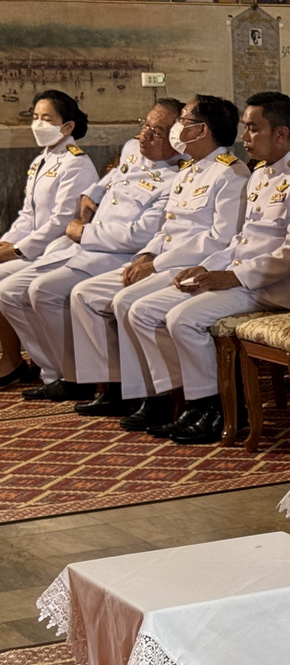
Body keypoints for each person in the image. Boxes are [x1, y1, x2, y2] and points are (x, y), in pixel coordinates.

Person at [125, 91, 290, 444]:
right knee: (143, 310)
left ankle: (213, 407)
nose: (245, 137)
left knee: (182, 318)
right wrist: (204, 269)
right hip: (239, 275)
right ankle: (182, 401)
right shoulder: (261, 174)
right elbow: (239, 241)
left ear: (280, 133)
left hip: (273, 288)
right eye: (245, 128)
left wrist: (233, 276)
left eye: (253, 129)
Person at [69, 95, 249, 425]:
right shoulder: (188, 171)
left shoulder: (230, 174)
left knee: (131, 304)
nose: (177, 128)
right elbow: (167, 227)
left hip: (195, 265)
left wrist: (159, 263)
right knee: (97, 295)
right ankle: (142, 392)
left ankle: (164, 395)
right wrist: (147, 255)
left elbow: (218, 240)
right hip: (165, 260)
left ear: (201, 130)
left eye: (183, 121)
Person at [3, 99, 183, 403]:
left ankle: (85, 379)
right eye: (145, 126)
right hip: (82, 246)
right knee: (11, 291)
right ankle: (57, 371)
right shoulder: (132, 148)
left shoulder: (176, 178)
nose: (145, 136)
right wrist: (92, 192)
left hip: (115, 254)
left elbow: (137, 236)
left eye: (157, 132)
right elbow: (114, 176)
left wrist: (84, 232)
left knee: (42, 291)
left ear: (177, 140)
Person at [0, 90, 98, 388]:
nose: (38, 124)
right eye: (35, 117)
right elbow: (28, 214)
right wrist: (7, 243)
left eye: (47, 118)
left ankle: (51, 368)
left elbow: (59, 222)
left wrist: (17, 251)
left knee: (7, 287)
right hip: (34, 248)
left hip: (59, 249)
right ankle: (17, 358)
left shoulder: (76, 163)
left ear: (67, 126)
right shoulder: (42, 160)